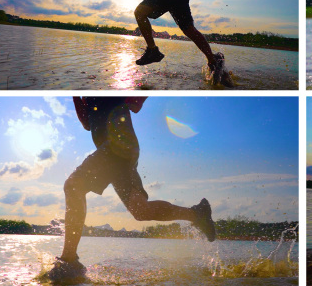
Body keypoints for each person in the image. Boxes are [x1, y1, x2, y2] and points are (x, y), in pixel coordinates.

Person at [48, 97, 216, 281]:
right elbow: (88, 124)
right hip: (121, 150)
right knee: (140, 210)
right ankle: (197, 214)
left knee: (73, 186)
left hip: (116, 145)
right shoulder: (86, 95)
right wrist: (76, 97)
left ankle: (69, 259)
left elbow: (135, 103)